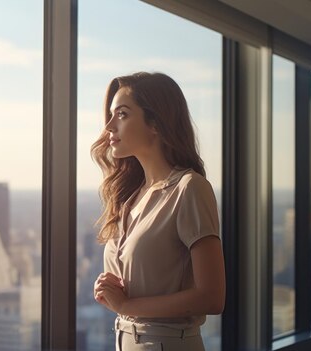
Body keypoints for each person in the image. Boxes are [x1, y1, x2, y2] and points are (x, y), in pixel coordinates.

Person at [92, 72, 225, 351]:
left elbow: (212, 297)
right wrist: (111, 291)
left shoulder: (190, 188)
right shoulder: (130, 197)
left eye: (122, 114)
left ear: (155, 123)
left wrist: (127, 304)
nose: (109, 126)